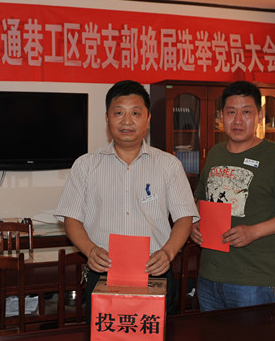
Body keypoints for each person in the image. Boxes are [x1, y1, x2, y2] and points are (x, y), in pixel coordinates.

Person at [55, 80, 198, 314]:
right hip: (103, 273)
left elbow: (185, 218)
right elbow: (71, 218)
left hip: (155, 271)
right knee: (105, 336)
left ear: (148, 118)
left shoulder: (169, 165)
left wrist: (168, 252)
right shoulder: (85, 165)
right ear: (107, 118)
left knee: (158, 336)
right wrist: (90, 250)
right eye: (119, 112)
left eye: (135, 113)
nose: (127, 121)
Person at [191, 80, 275, 311]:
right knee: (210, 335)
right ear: (221, 116)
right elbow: (200, 200)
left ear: (260, 115)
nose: (238, 120)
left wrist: (254, 231)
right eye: (231, 112)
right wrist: (194, 222)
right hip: (209, 275)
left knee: (252, 336)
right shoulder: (215, 153)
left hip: (251, 280)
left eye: (246, 112)